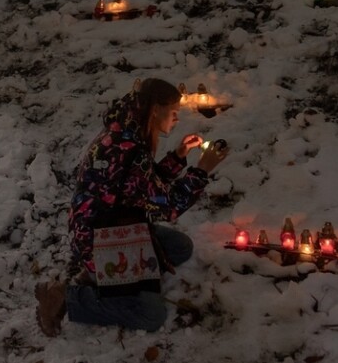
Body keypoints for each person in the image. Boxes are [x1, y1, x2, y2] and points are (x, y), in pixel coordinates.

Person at [36, 78, 228, 336]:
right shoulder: (129, 148)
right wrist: (202, 170)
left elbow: (141, 185)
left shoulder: (127, 131)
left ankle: (106, 278)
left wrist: (179, 155)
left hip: (116, 224)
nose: (176, 118)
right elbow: (169, 207)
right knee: (151, 314)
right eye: (173, 112)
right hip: (102, 238)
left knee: (180, 247)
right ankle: (67, 297)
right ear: (155, 110)